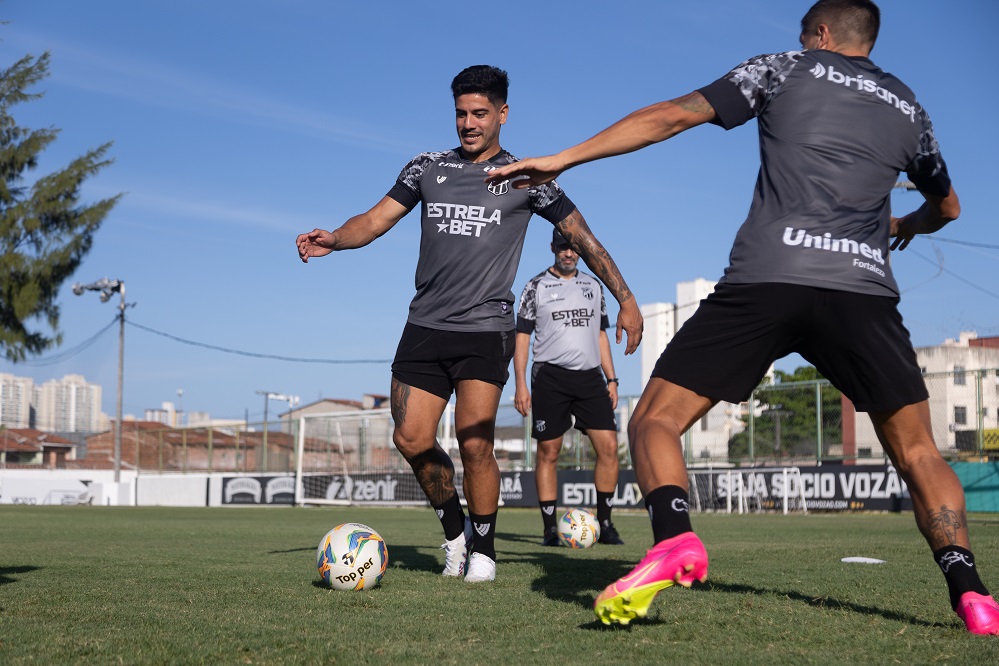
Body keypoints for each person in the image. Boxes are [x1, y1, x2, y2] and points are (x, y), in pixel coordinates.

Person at [485, 0, 999, 633]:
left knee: (655, 420)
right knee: (919, 450)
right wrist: (901, 225)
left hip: (768, 279)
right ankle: (972, 593)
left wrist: (565, 157)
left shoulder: (784, 68)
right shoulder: (909, 107)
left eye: (806, 38)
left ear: (820, 34)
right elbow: (948, 207)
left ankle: (675, 537)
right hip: (863, 291)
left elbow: (673, 115)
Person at [297, 65, 642, 584]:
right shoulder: (426, 167)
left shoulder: (527, 177)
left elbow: (584, 238)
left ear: (503, 114)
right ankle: (456, 534)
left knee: (474, 442)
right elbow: (373, 220)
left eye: (480, 113)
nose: (468, 123)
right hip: (425, 324)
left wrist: (626, 298)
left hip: (486, 328)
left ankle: (484, 549)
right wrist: (336, 239)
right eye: (461, 113)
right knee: (410, 438)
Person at [514, 228, 625, 547]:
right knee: (549, 451)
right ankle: (550, 529)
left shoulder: (594, 286)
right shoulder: (535, 286)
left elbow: (601, 336)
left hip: (590, 377)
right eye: (563, 247)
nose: (568, 253)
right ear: (552, 247)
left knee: (608, 447)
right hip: (549, 377)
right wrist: (520, 383)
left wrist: (612, 378)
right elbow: (522, 338)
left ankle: (605, 523)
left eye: (574, 248)